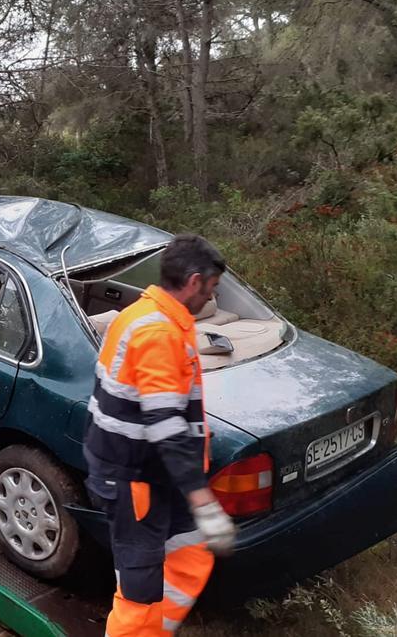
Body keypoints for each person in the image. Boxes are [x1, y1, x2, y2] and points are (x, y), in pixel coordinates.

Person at [83, 234, 236, 636]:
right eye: (212, 288)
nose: (210, 297)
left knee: (189, 553)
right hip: (135, 481)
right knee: (140, 591)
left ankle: (157, 629)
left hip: (154, 475)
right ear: (193, 281)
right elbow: (165, 424)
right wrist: (202, 498)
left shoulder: (154, 317)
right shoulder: (158, 332)